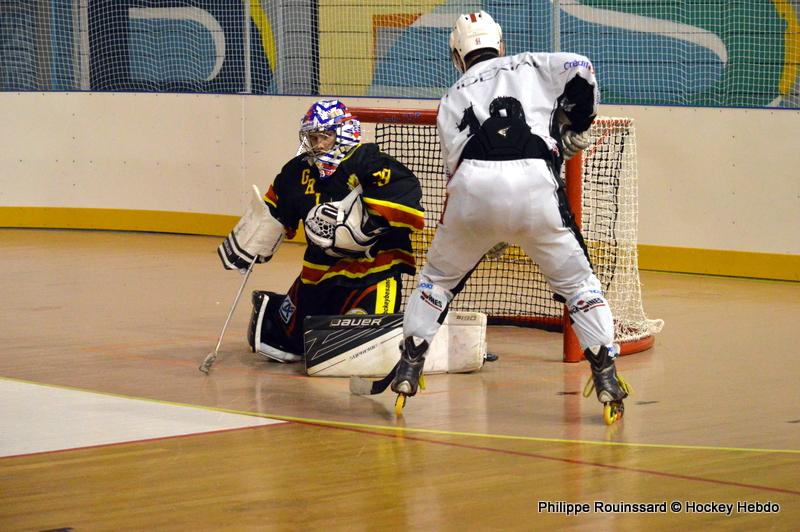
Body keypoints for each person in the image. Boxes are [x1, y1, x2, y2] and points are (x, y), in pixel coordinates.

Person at [392, 11, 629, 423]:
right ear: (500, 45)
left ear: (457, 56)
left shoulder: (450, 98)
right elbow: (582, 67)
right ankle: (605, 374)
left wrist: (490, 227)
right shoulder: (532, 63)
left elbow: (458, 169)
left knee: (437, 281)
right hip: (535, 187)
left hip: (471, 193)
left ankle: (409, 366)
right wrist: (577, 125)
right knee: (578, 285)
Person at [218, 99, 424, 363]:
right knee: (284, 344)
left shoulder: (370, 163)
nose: (317, 145)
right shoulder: (297, 171)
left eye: (324, 137)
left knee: (363, 350)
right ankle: (272, 308)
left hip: (374, 272)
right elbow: (275, 211)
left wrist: (365, 228)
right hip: (319, 273)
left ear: (344, 133)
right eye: (312, 138)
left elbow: (408, 205)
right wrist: (253, 240)